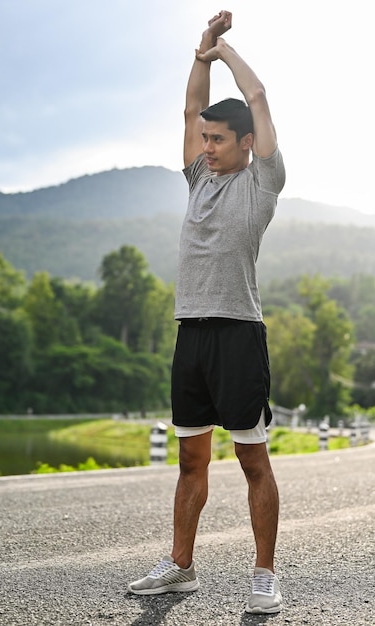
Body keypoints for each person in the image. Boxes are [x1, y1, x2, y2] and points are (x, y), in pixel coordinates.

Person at [128, 10, 285, 615]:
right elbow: (190, 109)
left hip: (239, 334)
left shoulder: (263, 181)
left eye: (219, 139)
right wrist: (200, 52)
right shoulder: (200, 179)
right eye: (206, 138)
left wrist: (227, 53)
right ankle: (180, 567)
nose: (207, 146)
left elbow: (259, 95)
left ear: (246, 143)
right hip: (190, 331)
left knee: (252, 460)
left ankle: (265, 574)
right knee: (191, 458)